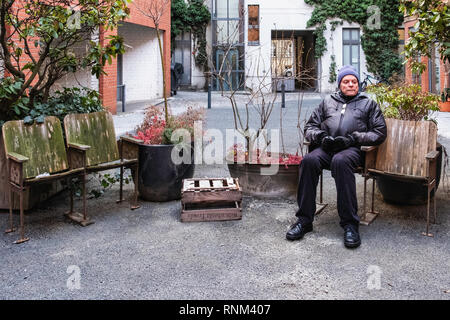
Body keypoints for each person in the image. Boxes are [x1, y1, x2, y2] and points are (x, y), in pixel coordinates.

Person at [286, 65, 387, 248]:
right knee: (308, 161)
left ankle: (350, 225)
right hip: (327, 147)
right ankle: (304, 221)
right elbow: (310, 127)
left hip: (352, 150)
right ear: (340, 84)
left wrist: (353, 139)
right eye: (346, 81)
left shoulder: (368, 104)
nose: (350, 85)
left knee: (340, 161)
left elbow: (379, 132)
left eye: (354, 82)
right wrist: (321, 137)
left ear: (358, 84)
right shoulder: (327, 102)